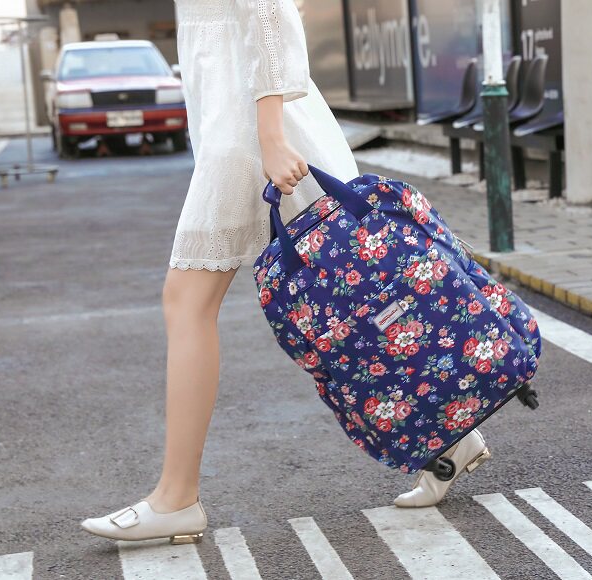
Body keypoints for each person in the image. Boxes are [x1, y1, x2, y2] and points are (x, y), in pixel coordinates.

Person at [80, 0, 489, 544]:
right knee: (351, 297)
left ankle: (176, 498)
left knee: (192, 303)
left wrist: (271, 137)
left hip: (252, 132)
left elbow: (269, 9)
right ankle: (451, 437)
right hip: (244, 125)